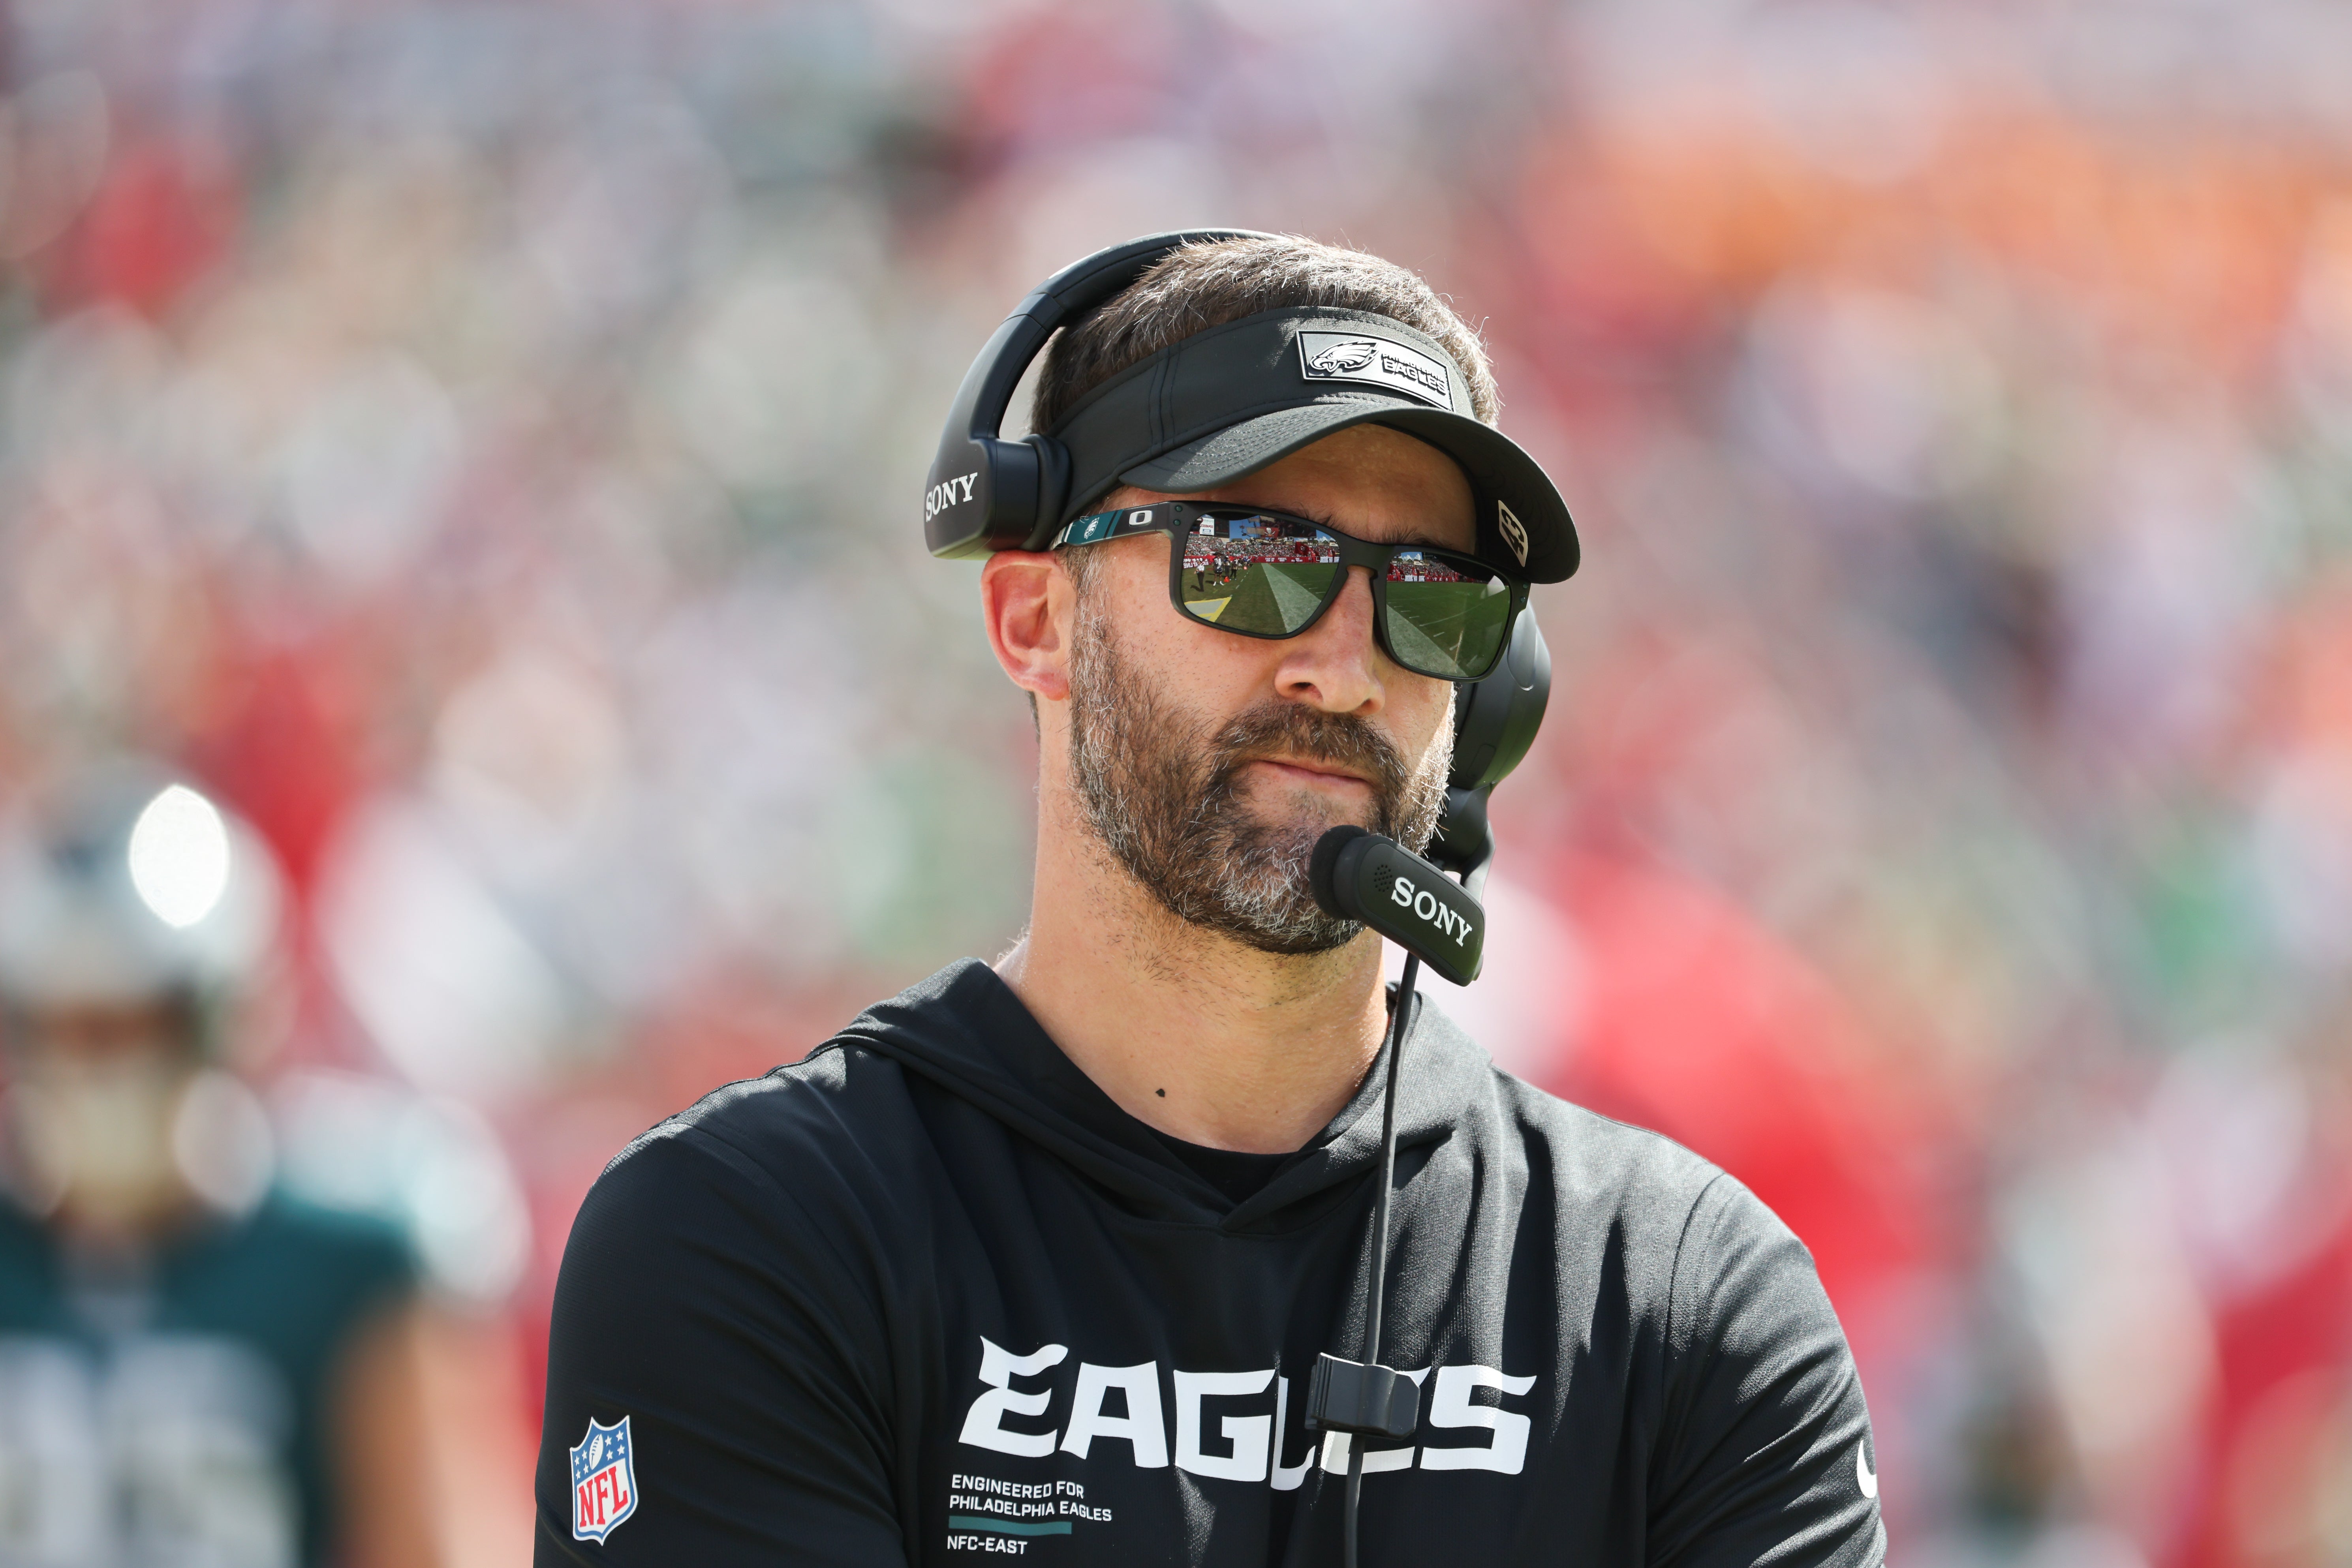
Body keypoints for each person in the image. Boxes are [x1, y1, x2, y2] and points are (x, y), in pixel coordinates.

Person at [535, 235, 1886, 1566]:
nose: (1344, 669)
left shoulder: (1689, 1298)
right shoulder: (748, 1233)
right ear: (1034, 621)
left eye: (1430, 593)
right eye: (1248, 555)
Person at [0, 765, 520, 1568]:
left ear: (224, 1018)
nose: (100, 1073)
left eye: (139, 1025)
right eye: (67, 1030)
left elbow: (439, 1548)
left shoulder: (344, 1255)